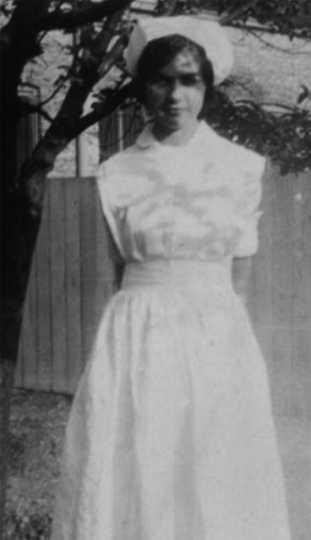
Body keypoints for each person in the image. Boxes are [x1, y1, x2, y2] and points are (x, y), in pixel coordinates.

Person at [51, 16, 291, 540]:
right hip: (137, 334)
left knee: (213, 464)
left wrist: (224, 347)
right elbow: (119, 270)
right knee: (139, 460)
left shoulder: (240, 167)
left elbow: (241, 271)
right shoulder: (117, 173)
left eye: (189, 80)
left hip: (215, 330)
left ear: (207, 86)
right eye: (162, 79)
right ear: (142, 87)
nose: (175, 94)